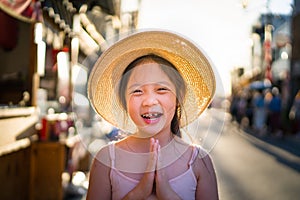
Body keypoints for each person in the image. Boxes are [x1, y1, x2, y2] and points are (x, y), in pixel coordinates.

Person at [86, 30, 219, 200]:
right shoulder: (106, 160)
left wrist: (167, 193)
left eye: (161, 89)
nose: (149, 101)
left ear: (178, 97)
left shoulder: (199, 161)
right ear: (124, 100)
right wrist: (140, 191)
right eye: (137, 91)